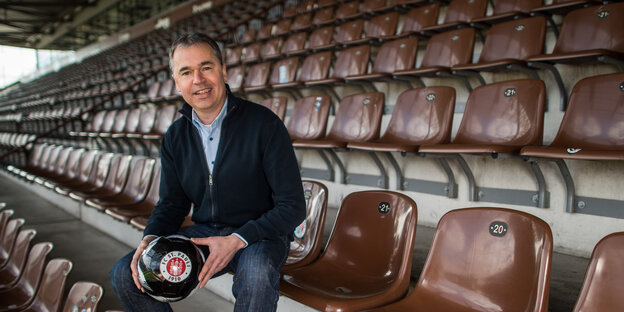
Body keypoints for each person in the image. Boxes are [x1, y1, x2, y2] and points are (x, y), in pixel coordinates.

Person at [110, 32, 306, 312]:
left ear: (223, 70)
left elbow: (293, 206)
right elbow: (172, 203)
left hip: (260, 235)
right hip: (204, 234)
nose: (198, 80)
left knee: (256, 272)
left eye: (206, 68)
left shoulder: (264, 124)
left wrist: (238, 239)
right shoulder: (175, 136)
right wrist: (150, 239)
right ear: (177, 83)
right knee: (127, 276)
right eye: (186, 72)